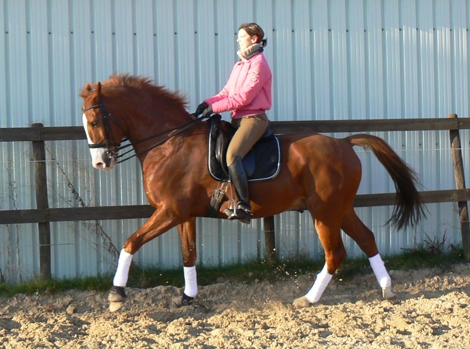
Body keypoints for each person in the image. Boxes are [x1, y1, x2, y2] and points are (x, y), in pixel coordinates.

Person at [195, 22, 272, 224]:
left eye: (241, 36)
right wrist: (206, 103)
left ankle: (244, 205)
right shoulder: (240, 65)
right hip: (237, 119)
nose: (238, 40)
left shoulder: (259, 64)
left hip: (253, 119)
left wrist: (215, 109)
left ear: (254, 38)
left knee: (232, 154)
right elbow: (226, 94)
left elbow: (244, 98)